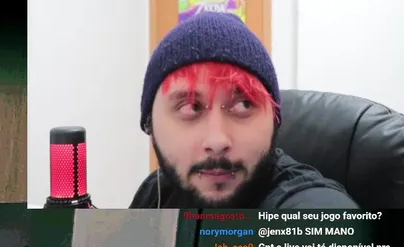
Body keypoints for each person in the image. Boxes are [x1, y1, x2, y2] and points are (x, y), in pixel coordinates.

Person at [131, 12, 357, 209]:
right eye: (191, 107)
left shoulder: (309, 204)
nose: (217, 141)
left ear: (275, 119)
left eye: (243, 105)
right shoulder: (157, 192)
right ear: (149, 124)